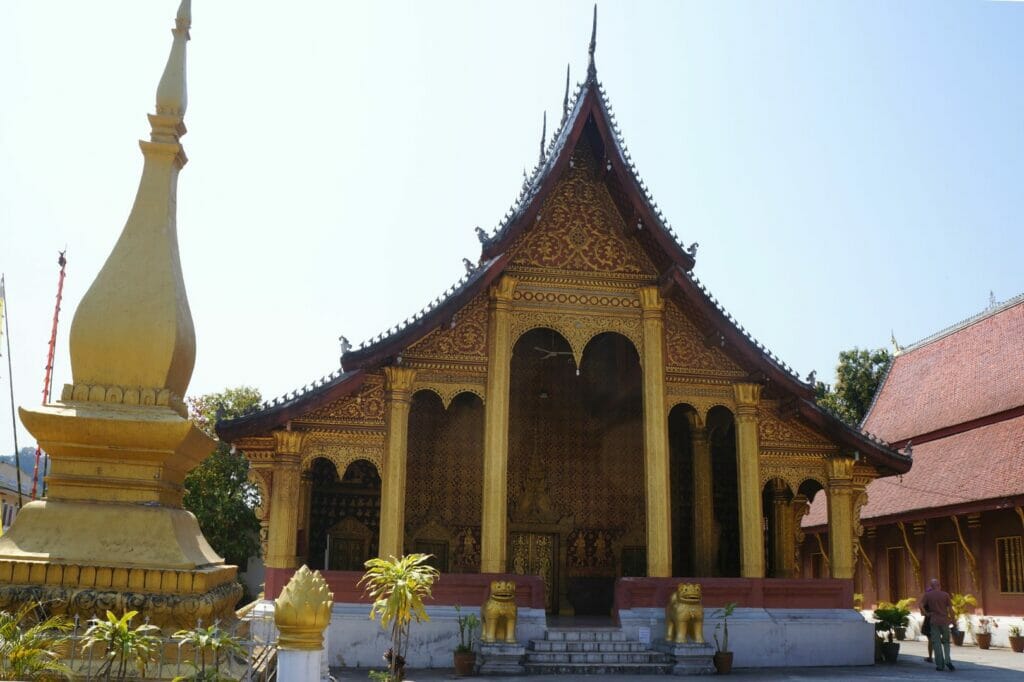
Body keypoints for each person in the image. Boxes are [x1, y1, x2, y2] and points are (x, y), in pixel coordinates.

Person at [920, 578, 955, 672]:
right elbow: (950, 609)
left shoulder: (928, 595)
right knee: (946, 642)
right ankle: (948, 660)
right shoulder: (945, 594)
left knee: (936, 643)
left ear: (931, 586)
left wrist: (926, 614)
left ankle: (940, 665)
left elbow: (921, 605)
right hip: (944, 621)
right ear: (939, 586)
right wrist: (953, 620)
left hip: (934, 621)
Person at [921, 583, 934, 663]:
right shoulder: (940, 599)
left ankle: (930, 657)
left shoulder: (926, 602)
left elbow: (922, 613)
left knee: (931, 639)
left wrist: (927, 613)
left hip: (929, 621)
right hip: (939, 620)